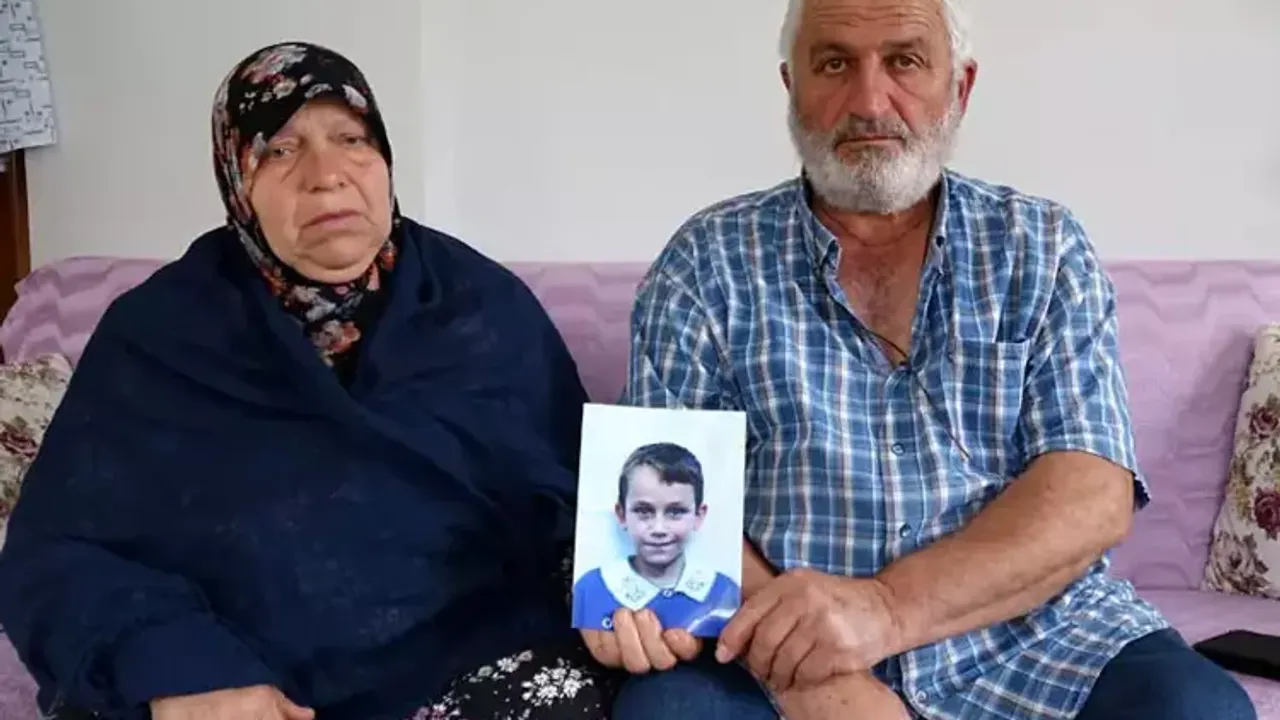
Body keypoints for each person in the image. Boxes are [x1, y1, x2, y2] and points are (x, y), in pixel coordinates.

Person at [597, 0, 1261, 719]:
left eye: (905, 60)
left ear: (960, 85)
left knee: (1197, 709)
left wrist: (887, 609)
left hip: (1033, 634)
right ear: (792, 86)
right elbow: (662, 489)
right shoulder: (706, 261)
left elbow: (1091, 492)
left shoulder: (1042, 246)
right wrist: (817, 678)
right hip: (781, 636)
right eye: (834, 63)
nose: (869, 100)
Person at [0, 42, 620, 720]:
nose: (326, 176)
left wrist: (622, 595)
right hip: (233, 682)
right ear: (237, 180)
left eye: (352, 139)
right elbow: (56, 554)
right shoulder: (159, 334)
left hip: (466, 670)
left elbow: (584, 505)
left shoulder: (480, 308)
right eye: (280, 150)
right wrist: (183, 671)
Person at [572, 442, 740, 638]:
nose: (659, 529)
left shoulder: (724, 591)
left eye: (675, 512)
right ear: (622, 514)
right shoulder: (590, 588)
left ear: (698, 515)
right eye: (644, 511)